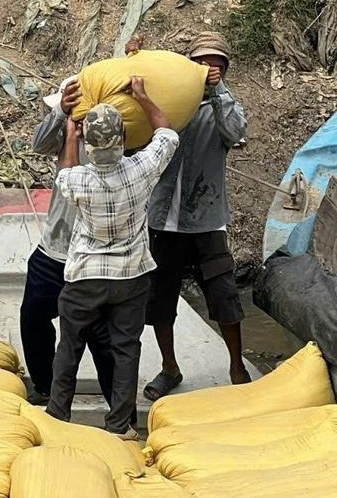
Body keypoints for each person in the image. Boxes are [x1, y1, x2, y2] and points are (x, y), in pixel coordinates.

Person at [48, 83, 182, 438]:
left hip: (84, 277)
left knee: (70, 347)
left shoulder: (78, 180)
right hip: (130, 277)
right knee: (126, 350)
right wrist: (142, 96)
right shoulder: (141, 170)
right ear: (123, 138)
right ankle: (119, 425)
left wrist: (71, 136)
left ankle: (57, 417)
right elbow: (167, 133)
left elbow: (65, 172)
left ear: (90, 145)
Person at [143, 32, 251, 399]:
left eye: (218, 64)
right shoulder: (172, 102)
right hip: (163, 221)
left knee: (224, 295)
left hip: (207, 221)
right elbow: (139, 122)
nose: (210, 69)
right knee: (160, 300)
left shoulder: (225, 106)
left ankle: (237, 368)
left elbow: (235, 132)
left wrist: (218, 93)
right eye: (203, 62)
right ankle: (169, 368)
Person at [20, 77, 124, 417]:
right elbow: (38, 144)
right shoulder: (66, 133)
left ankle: (119, 412)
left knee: (100, 338)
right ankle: (44, 387)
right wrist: (62, 114)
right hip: (54, 249)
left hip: (94, 257)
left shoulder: (119, 144)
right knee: (34, 318)